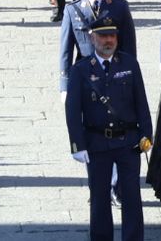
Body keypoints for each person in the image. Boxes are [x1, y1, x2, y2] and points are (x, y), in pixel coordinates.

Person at [65, 15, 152, 241]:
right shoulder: (81, 70)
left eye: (112, 35)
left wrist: (147, 136)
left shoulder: (129, 64)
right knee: (100, 199)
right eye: (103, 36)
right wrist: (77, 144)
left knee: (132, 197)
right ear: (92, 38)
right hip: (97, 143)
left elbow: (141, 102)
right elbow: (73, 110)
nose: (108, 40)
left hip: (128, 143)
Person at [58, 0, 138, 92]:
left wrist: (130, 77)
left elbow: (129, 46)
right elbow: (65, 51)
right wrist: (65, 86)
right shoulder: (72, 10)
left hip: (114, 74)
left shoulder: (119, 6)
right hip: (84, 76)